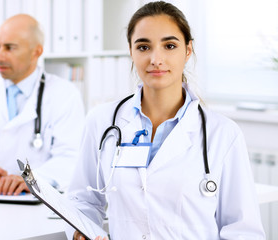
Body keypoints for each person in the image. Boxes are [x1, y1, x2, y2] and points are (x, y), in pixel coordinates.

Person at [67, 1, 265, 239]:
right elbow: (82, 200)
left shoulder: (223, 133)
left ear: (188, 50)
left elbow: (243, 230)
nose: (155, 59)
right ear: (130, 51)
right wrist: (81, 231)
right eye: (143, 47)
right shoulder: (101, 122)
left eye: (169, 45)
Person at [0, 14, 85, 195]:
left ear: (36, 52)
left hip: (36, 203)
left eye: (9, 48)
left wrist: (32, 179)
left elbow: (70, 157)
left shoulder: (65, 94)